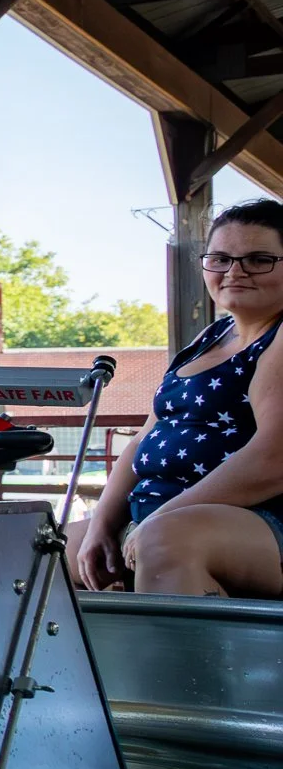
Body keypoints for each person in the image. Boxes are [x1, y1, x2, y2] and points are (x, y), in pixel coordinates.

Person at [72, 200, 283, 598]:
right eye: (220, 259)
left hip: (261, 519)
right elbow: (142, 441)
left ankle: (173, 662)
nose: (235, 271)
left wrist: (162, 518)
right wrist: (101, 522)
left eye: (259, 259)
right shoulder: (208, 339)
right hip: (162, 514)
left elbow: (275, 458)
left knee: (167, 541)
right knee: (41, 546)